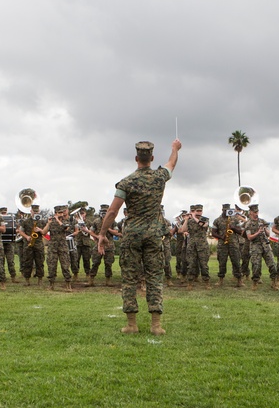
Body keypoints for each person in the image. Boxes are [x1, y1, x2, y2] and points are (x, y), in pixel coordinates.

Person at [98, 138, 181, 335]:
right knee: (154, 277)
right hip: (153, 234)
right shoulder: (160, 176)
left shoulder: (126, 182)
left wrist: (102, 234)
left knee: (129, 278)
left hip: (132, 235)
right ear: (152, 158)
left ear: (136, 158)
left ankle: (132, 325)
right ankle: (156, 325)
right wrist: (175, 148)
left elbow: (112, 212)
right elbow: (171, 163)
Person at [245, 204, 279, 291]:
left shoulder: (262, 221)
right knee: (256, 265)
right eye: (254, 212)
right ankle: (255, 283)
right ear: (250, 213)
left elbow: (269, 234)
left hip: (266, 245)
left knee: (272, 264)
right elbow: (249, 237)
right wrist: (258, 232)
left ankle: (274, 282)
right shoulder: (248, 224)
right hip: (255, 246)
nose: (256, 214)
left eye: (257, 212)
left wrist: (264, 229)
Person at [43, 205, 74, 291]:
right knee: (52, 266)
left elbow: (66, 228)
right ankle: (51, 284)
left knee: (65, 266)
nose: (61, 214)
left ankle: (68, 285)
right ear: (55, 213)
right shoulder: (51, 222)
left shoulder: (66, 221)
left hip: (63, 247)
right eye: (59, 213)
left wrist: (57, 220)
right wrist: (48, 223)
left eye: (62, 212)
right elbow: (44, 232)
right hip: (52, 247)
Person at [87, 204, 119, 286]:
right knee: (95, 262)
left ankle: (108, 280)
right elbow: (91, 231)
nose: (104, 214)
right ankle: (91, 280)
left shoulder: (113, 221)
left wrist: (107, 228)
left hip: (109, 245)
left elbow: (116, 232)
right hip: (98, 244)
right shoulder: (96, 221)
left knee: (108, 263)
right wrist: (97, 236)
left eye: (105, 212)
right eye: (102, 212)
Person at [212, 203, 243, 287]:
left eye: (228, 210)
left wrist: (233, 228)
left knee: (236, 262)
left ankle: (239, 280)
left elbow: (240, 231)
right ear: (222, 210)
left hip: (234, 244)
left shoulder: (235, 219)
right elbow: (213, 233)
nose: (227, 212)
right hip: (222, 245)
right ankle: (220, 280)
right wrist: (221, 237)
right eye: (225, 210)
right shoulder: (217, 220)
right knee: (222, 262)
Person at [184, 204, 211, 290]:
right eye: (197, 211)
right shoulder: (190, 221)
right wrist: (186, 220)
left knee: (204, 265)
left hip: (202, 246)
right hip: (192, 245)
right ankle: (190, 283)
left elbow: (203, 225)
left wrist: (194, 217)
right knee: (191, 264)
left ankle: (206, 282)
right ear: (194, 211)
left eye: (200, 211)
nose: (199, 212)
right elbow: (183, 230)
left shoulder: (205, 219)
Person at [18, 204, 46, 286]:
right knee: (27, 262)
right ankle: (27, 280)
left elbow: (45, 232)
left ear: (39, 211)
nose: (36, 213)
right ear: (31, 211)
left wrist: (40, 230)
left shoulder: (42, 221)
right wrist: (26, 237)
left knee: (40, 262)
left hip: (39, 244)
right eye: (34, 211)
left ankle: (40, 279)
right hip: (28, 245)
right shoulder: (25, 221)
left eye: (37, 211)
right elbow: (20, 231)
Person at [0, 207, 20, 282]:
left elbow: (18, 228)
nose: (4, 214)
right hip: (0, 243)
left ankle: (13, 277)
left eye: (5, 212)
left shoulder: (11, 219)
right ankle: (2, 277)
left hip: (9, 243)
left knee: (10, 261)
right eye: (2, 212)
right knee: (1, 261)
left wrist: (15, 231)